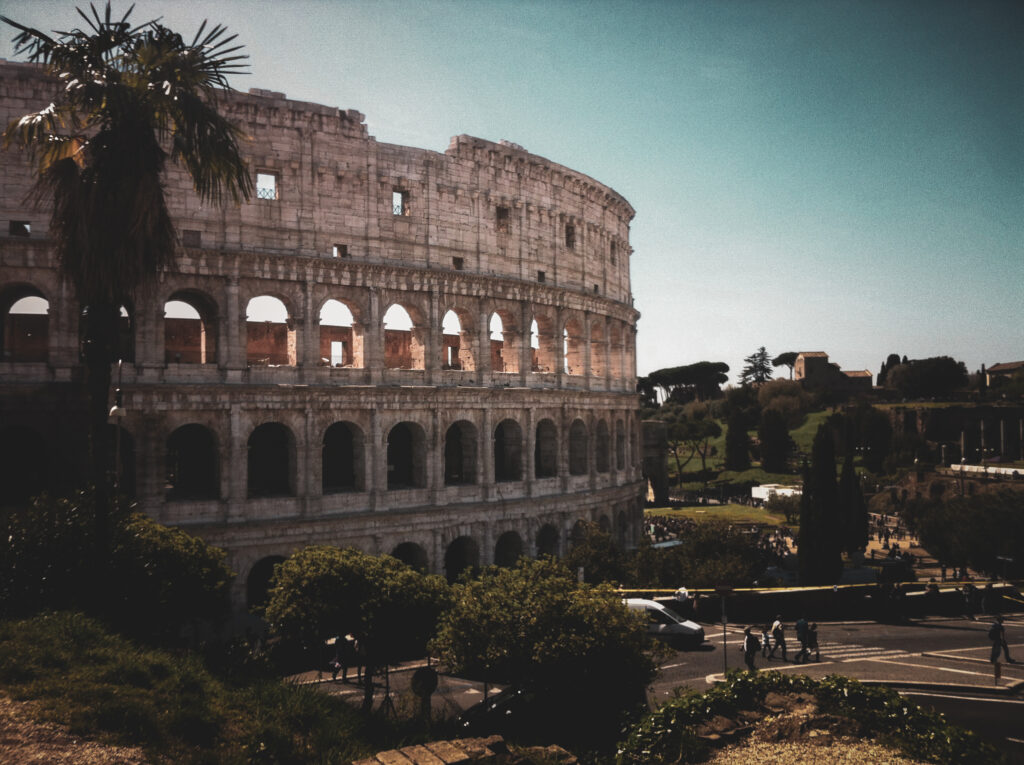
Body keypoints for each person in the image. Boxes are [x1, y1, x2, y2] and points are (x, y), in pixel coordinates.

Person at [990, 616, 1007, 684]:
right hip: (998, 640)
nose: (1003, 620)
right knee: (998, 651)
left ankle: (992, 658)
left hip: (995, 639)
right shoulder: (1000, 627)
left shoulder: (994, 625)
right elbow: (1002, 634)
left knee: (995, 649)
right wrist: (1003, 640)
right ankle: (994, 659)